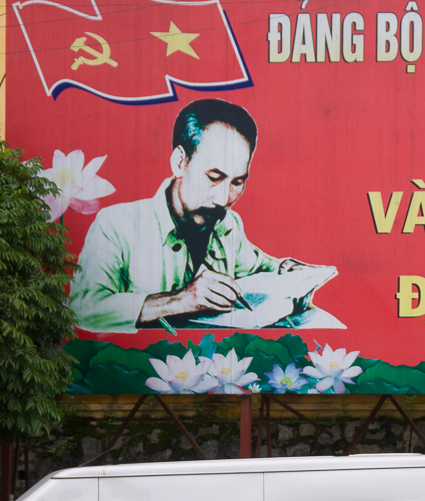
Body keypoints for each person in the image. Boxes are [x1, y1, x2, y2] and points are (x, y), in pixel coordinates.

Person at [69, 98, 306, 332]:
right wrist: (180, 300)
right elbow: (82, 309)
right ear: (180, 162)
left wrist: (288, 271)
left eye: (237, 182)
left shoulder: (229, 224)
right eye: (214, 177)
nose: (224, 199)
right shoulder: (115, 225)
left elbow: (258, 266)